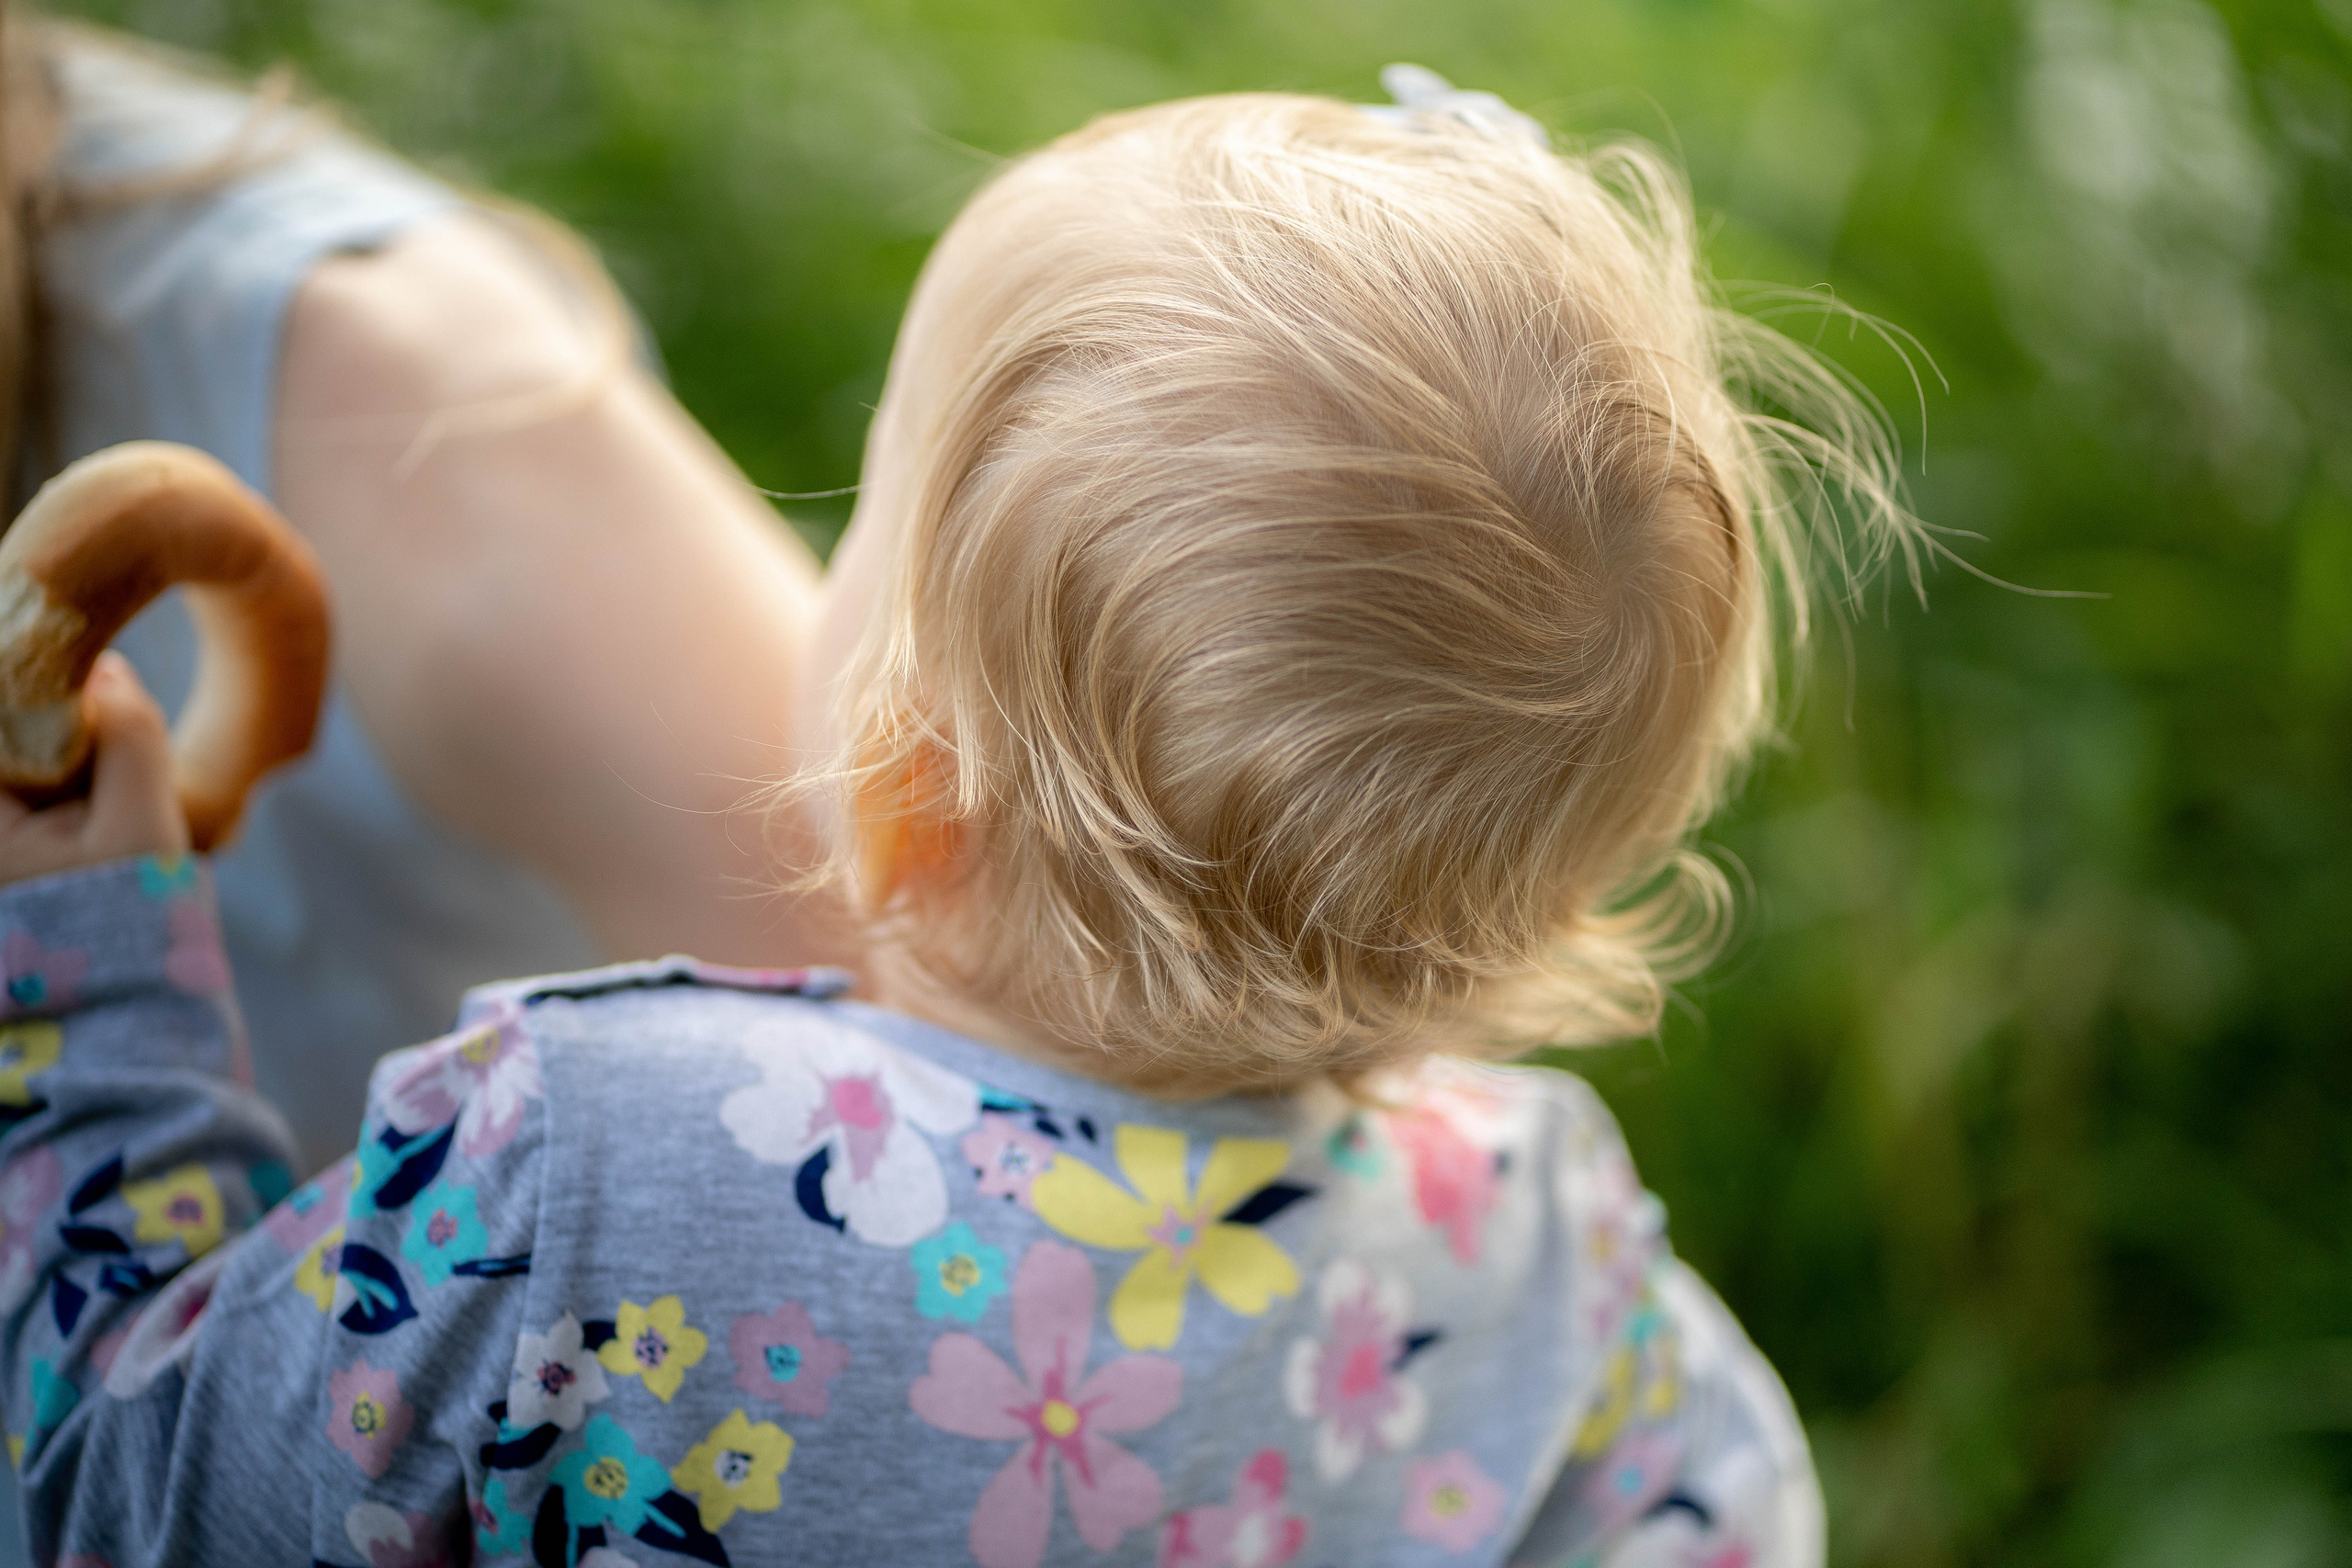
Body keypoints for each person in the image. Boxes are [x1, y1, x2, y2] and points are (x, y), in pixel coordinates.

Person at [0, 70, 1911, 1566]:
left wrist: (78, 990)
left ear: (905, 786)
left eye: (867, 514)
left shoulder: (575, 1174)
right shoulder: (1540, 1250)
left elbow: (114, 1495)